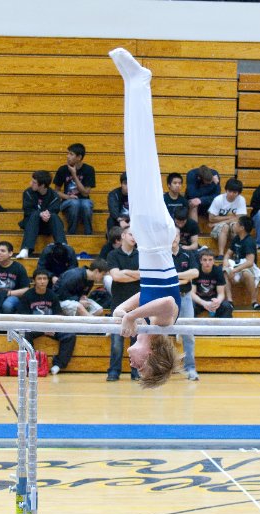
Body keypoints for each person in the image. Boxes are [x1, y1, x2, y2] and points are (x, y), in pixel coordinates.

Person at [109, 47, 183, 388]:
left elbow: (147, 294)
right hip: (155, 235)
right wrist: (132, 318)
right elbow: (167, 299)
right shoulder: (165, 323)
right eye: (140, 369)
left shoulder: (150, 318)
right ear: (152, 357)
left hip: (147, 238)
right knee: (143, 158)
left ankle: (132, 83)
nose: (133, 365)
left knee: (133, 156)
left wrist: (123, 310)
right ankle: (140, 82)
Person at [17, 268, 77, 376]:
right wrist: (43, 330)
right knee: (24, 334)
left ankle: (58, 365)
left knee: (70, 335)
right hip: (33, 327)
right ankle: (32, 363)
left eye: (45, 278)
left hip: (50, 327)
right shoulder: (27, 295)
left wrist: (52, 327)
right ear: (34, 281)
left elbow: (58, 315)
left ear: (48, 281)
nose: (42, 281)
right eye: (39, 278)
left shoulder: (52, 295)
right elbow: (24, 318)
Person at [105, 225, 141, 382]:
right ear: (124, 236)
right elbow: (116, 276)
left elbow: (143, 275)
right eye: (131, 234)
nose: (134, 237)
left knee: (137, 340)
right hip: (118, 304)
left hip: (138, 305)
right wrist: (135, 275)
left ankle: (136, 372)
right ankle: (113, 371)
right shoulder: (113, 254)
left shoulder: (142, 254)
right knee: (117, 342)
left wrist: (124, 272)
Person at [171, 228, 200, 380]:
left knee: (188, 334)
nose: (173, 237)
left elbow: (195, 273)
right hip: (167, 299)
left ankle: (190, 368)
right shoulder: (162, 255)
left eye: (175, 234)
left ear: (179, 236)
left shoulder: (188, 254)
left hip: (185, 297)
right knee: (158, 333)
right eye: (170, 234)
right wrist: (183, 278)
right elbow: (163, 277)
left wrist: (175, 276)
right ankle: (160, 368)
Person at [17, 170, 66, 259]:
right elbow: (27, 211)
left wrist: (47, 214)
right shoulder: (27, 193)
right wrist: (40, 214)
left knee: (54, 216)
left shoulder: (54, 196)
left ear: (42, 185)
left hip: (47, 226)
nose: (31, 183)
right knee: (35, 214)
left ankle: (63, 247)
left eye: (34, 182)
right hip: (31, 225)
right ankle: (26, 249)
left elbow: (55, 210)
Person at [224, 215, 260, 311]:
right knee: (224, 271)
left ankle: (254, 302)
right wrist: (226, 262)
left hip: (247, 268)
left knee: (246, 273)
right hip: (236, 266)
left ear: (242, 228)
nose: (234, 225)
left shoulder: (249, 241)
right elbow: (228, 254)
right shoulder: (237, 238)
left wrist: (234, 270)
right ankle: (229, 301)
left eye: (237, 223)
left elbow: (250, 262)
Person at [54, 142, 95, 235]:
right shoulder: (62, 169)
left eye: (71, 154)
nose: (67, 156)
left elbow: (85, 193)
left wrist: (74, 175)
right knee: (74, 203)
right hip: (67, 201)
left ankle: (88, 234)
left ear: (79, 157)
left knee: (86, 205)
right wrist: (68, 197)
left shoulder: (89, 170)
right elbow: (56, 191)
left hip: (84, 200)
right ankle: (71, 232)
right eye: (68, 153)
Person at [208, 178, 248, 259]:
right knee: (225, 227)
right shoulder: (218, 199)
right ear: (226, 190)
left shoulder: (241, 199)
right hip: (220, 228)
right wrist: (230, 217)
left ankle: (236, 254)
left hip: (228, 224)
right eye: (229, 191)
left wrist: (217, 222)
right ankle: (221, 254)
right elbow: (211, 218)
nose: (231, 194)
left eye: (234, 192)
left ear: (239, 193)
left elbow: (240, 218)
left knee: (236, 226)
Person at [191, 249, 234, 318]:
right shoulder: (196, 271)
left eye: (210, 260)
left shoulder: (218, 271)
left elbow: (221, 293)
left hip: (213, 300)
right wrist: (203, 303)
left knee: (227, 306)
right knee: (189, 305)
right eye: (205, 260)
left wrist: (218, 301)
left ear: (214, 261)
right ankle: (190, 328)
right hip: (199, 301)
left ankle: (224, 329)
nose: (207, 262)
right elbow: (192, 293)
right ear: (200, 261)